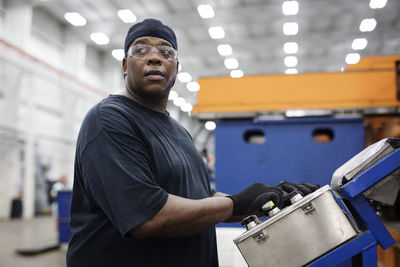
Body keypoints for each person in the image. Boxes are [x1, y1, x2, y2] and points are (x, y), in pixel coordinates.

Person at [66, 18, 317, 267]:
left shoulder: (179, 131)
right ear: (124, 65)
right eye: (141, 49)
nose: (154, 57)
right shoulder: (109, 119)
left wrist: (264, 200)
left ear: (176, 69)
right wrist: (234, 204)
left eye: (165, 51)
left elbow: (200, 201)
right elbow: (148, 217)